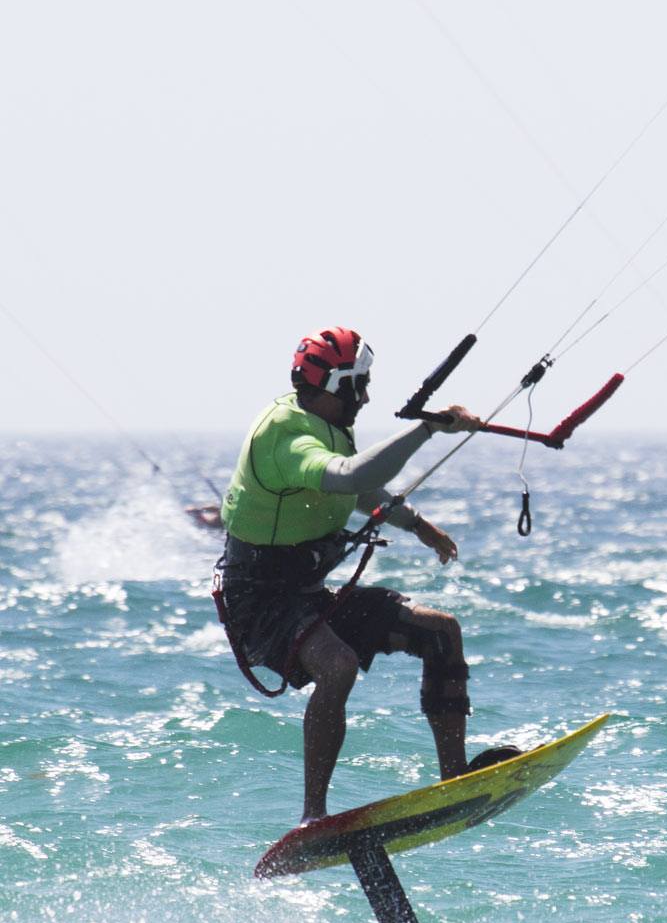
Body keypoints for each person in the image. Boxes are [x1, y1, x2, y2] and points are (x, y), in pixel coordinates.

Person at [214, 326, 516, 824]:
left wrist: (418, 525)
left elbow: (354, 492)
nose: (368, 396)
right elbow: (353, 476)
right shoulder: (284, 435)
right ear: (335, 386)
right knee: (338, 664)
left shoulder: (327, 425)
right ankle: (313, 816)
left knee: (441, 631)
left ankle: (455, 777)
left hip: (308, 594)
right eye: (360, 386)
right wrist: (427, 429)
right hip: (261, 602)